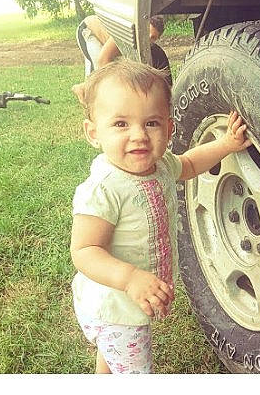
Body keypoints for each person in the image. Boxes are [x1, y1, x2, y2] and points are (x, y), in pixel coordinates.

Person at [70, 59, 250, 374]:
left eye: (151, 123)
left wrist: (225, 144)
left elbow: (191, 164)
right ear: (93, 133)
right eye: (121, 124)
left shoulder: (162, 165)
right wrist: (129, 279)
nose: (139, 135)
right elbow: (84, 251)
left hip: (127, 304)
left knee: (112, 359)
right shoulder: (103, 188)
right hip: (116, 308)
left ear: (169, 128)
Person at [71, 14, 166, 103]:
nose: (148, 39)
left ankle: (85, 89)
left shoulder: (146, 45)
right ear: (141, 29)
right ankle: (87, 95)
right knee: (98, 72)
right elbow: (103, 60)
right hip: (88, 30)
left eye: (153, 37)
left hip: (106, 39)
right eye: (147, 33)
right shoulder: (127, 34)